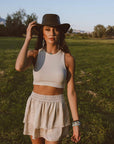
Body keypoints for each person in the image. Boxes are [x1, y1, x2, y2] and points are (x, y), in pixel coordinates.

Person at [15, 14, 81, 144]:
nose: (52, 33)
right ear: (42, 33)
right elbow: (19, 67)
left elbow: (71, 91)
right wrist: (27, 39)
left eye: (55, 29)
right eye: (47, 29)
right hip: (36, 106)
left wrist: (76, 122)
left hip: (57, 108)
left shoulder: (68, 59)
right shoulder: (34, 54)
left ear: (61, 33)